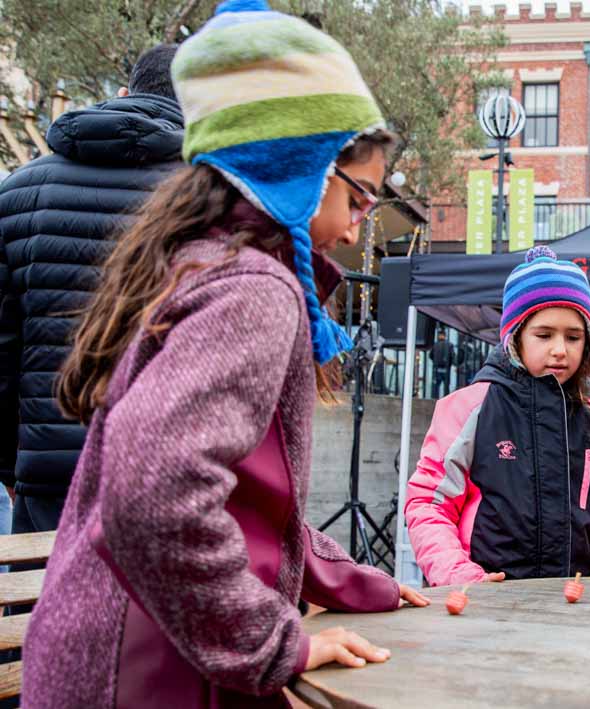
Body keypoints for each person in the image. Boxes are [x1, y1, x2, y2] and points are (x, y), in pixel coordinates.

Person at [22, 3, 430, 706]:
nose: (361, 226)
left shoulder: (202, 261)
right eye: (361, 197)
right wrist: (272, 641)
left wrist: (367, 585)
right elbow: (153, 494)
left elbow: (248, 500)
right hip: (143, 676)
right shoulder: (254, 289)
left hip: (113, 655)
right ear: (303, 168)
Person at [0, 44, 183, 537]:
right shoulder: (206, 199)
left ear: (123, 95)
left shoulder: (17, 192)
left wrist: (11, 468)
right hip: (165, 476)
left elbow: (2, 354)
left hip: (48, 475)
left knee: (41, 611)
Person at [405, 246, 590, 586]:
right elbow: (429, 505)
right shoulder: (468, 408)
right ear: (516, 337)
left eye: (574, 337)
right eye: (544, 335)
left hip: (576, 602)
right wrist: (459, 574)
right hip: (482, 601)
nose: (560, 349)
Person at [430, 329, 455, 399]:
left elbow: (430, 355)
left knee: (436, 386)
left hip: (437, 367)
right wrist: (451, 363)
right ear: (445, 336)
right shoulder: (450, 345)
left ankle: (434, 400)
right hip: (446, 368)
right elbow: (452, 356)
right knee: (446, 386)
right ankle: (446, 400)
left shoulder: (435, 345)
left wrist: (435, 361)